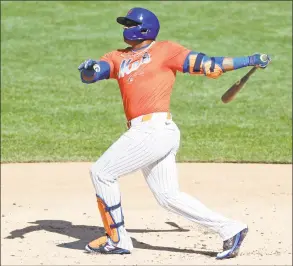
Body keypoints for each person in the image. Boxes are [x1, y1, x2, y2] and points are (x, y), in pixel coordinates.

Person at [78, 7, 271, 259]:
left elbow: (209, 64)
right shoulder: (117, 57)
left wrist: (249, 60)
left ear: (144, 28)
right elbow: (92, 75)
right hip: (150, 133)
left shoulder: (166, 50)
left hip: (155, 130)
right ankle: (231, 229)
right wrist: (89, 68)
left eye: (129, 24)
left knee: (102, 172)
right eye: (124, 24)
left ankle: (117, 239)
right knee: (168, 196)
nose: (125, 29)